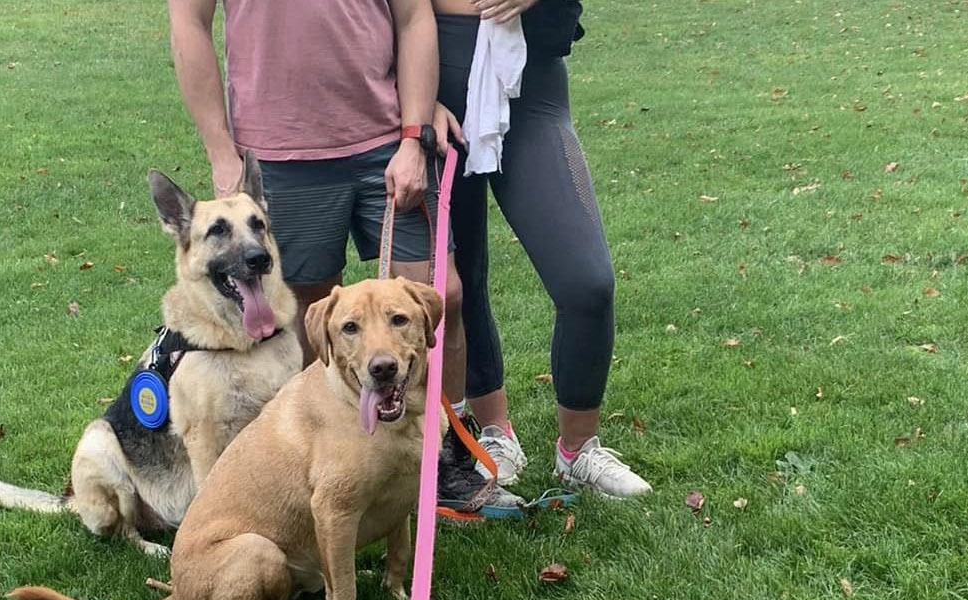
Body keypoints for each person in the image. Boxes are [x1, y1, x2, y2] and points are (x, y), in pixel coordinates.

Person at [167, 0, 522, 513]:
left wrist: (413, 135)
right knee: (314, 321)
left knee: (440, 295)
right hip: (280, 156)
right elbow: (188, 24)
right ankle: (333, 458)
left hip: (383, 139)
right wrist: (221, 150)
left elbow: (414, 17)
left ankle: (444, 453)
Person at [434, 0, 651, 497]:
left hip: (531, 86)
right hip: (434, 92)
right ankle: (493, 434)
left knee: (587, 282)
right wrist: (413, 101)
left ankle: (578, 451)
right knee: (458, 284)